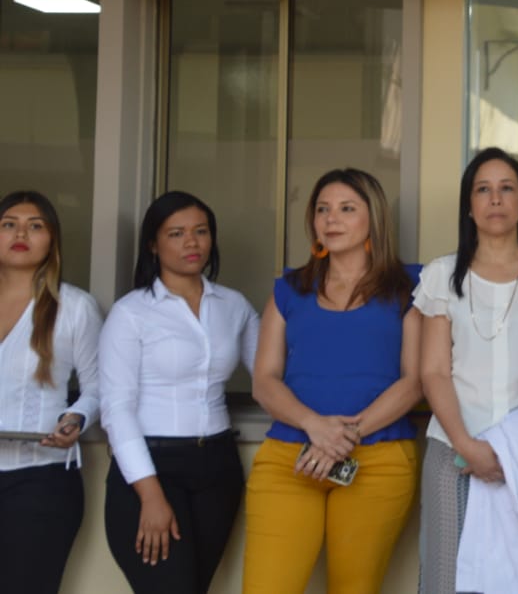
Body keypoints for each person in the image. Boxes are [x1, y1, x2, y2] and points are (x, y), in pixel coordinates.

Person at [245, 168, 422, 594]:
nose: (331, 220)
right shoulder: (289, 288)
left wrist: (345, 435)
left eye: (346, 209)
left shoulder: (410, 285)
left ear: (373, 219)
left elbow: (415, 380)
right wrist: (315, 426)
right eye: (322, 209)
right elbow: (264, 381)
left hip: (378, 461)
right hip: (290, 457)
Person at [416, 147, 518, 594]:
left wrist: (515, 452)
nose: (495, 199)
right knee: (449, 577)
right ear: (469, 205)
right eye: (482, 190)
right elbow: (433, 372)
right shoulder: (443, 274)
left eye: (507, 189)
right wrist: (468, 446)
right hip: (454, 450)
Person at [99, 191, 259, 594]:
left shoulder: (233, 306)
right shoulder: (131, 312)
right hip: (150, 469)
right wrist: (150, 495)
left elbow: (271, 377)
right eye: (176, 233)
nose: (192, 242)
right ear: (153, 243)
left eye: (201, 232)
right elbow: (117, 409)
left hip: (218, 468)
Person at [0, 191, 102, 594]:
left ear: (52, 239)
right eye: (9, 223)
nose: (20, 232)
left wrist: (75, 419)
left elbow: (98, 389)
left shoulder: (74, 307)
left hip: (40, 482)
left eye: (35, 225)